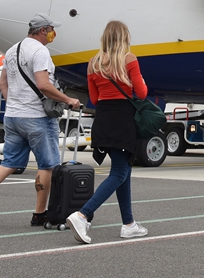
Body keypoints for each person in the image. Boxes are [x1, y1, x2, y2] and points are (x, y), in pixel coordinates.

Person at [0, 14, 83, 229]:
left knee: (9, 163)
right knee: (47, 166)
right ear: (43, 30)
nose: (54, 33)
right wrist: (68, 100)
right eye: (52, 29)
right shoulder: (40, 51)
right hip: (37, 118)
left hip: (13, 116)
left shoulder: (12, 50)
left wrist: (15, 104)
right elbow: (44, 85)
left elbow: (2, 84)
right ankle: (39, 214)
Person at [64, 21, 149, 243]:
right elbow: (141, 93)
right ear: (124, 37)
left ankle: (129, 224)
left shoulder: (93, 63)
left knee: (124, 170)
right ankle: (82, 215)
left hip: (103, 119)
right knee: (120, 172)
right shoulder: (129, 59)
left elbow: (94, 99)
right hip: (122, 119)